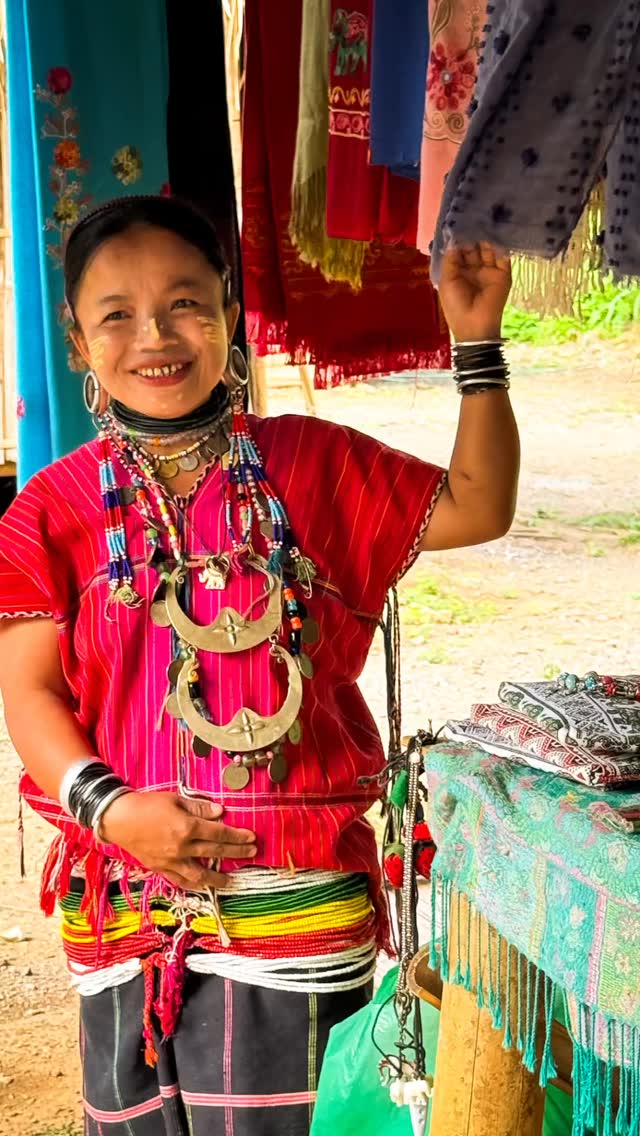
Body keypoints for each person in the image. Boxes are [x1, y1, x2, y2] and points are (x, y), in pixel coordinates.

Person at [0, 196, 518, 1136]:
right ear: (77, 341)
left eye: (185, 303)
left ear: (229, 314)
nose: (155, 336)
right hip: (121, 907)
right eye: (116, 314)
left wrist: (476, 342)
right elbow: (30, 693)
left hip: (294, 910)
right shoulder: (51, 509)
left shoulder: (313, 466)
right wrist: (111, 810)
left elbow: (479, 504)